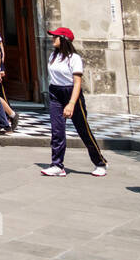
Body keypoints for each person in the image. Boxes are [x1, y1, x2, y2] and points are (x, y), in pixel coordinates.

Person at [41, 27, 106, 177]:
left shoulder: (74, 58)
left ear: (64, 39)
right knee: (57, 130)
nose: (52, 39)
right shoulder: (52, 56)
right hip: (55, 92)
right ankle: (57, 164)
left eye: (55, 37)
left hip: (71, 93)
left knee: (83, 129)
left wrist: (71, 104)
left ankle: (100, 162)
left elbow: (77, 83)